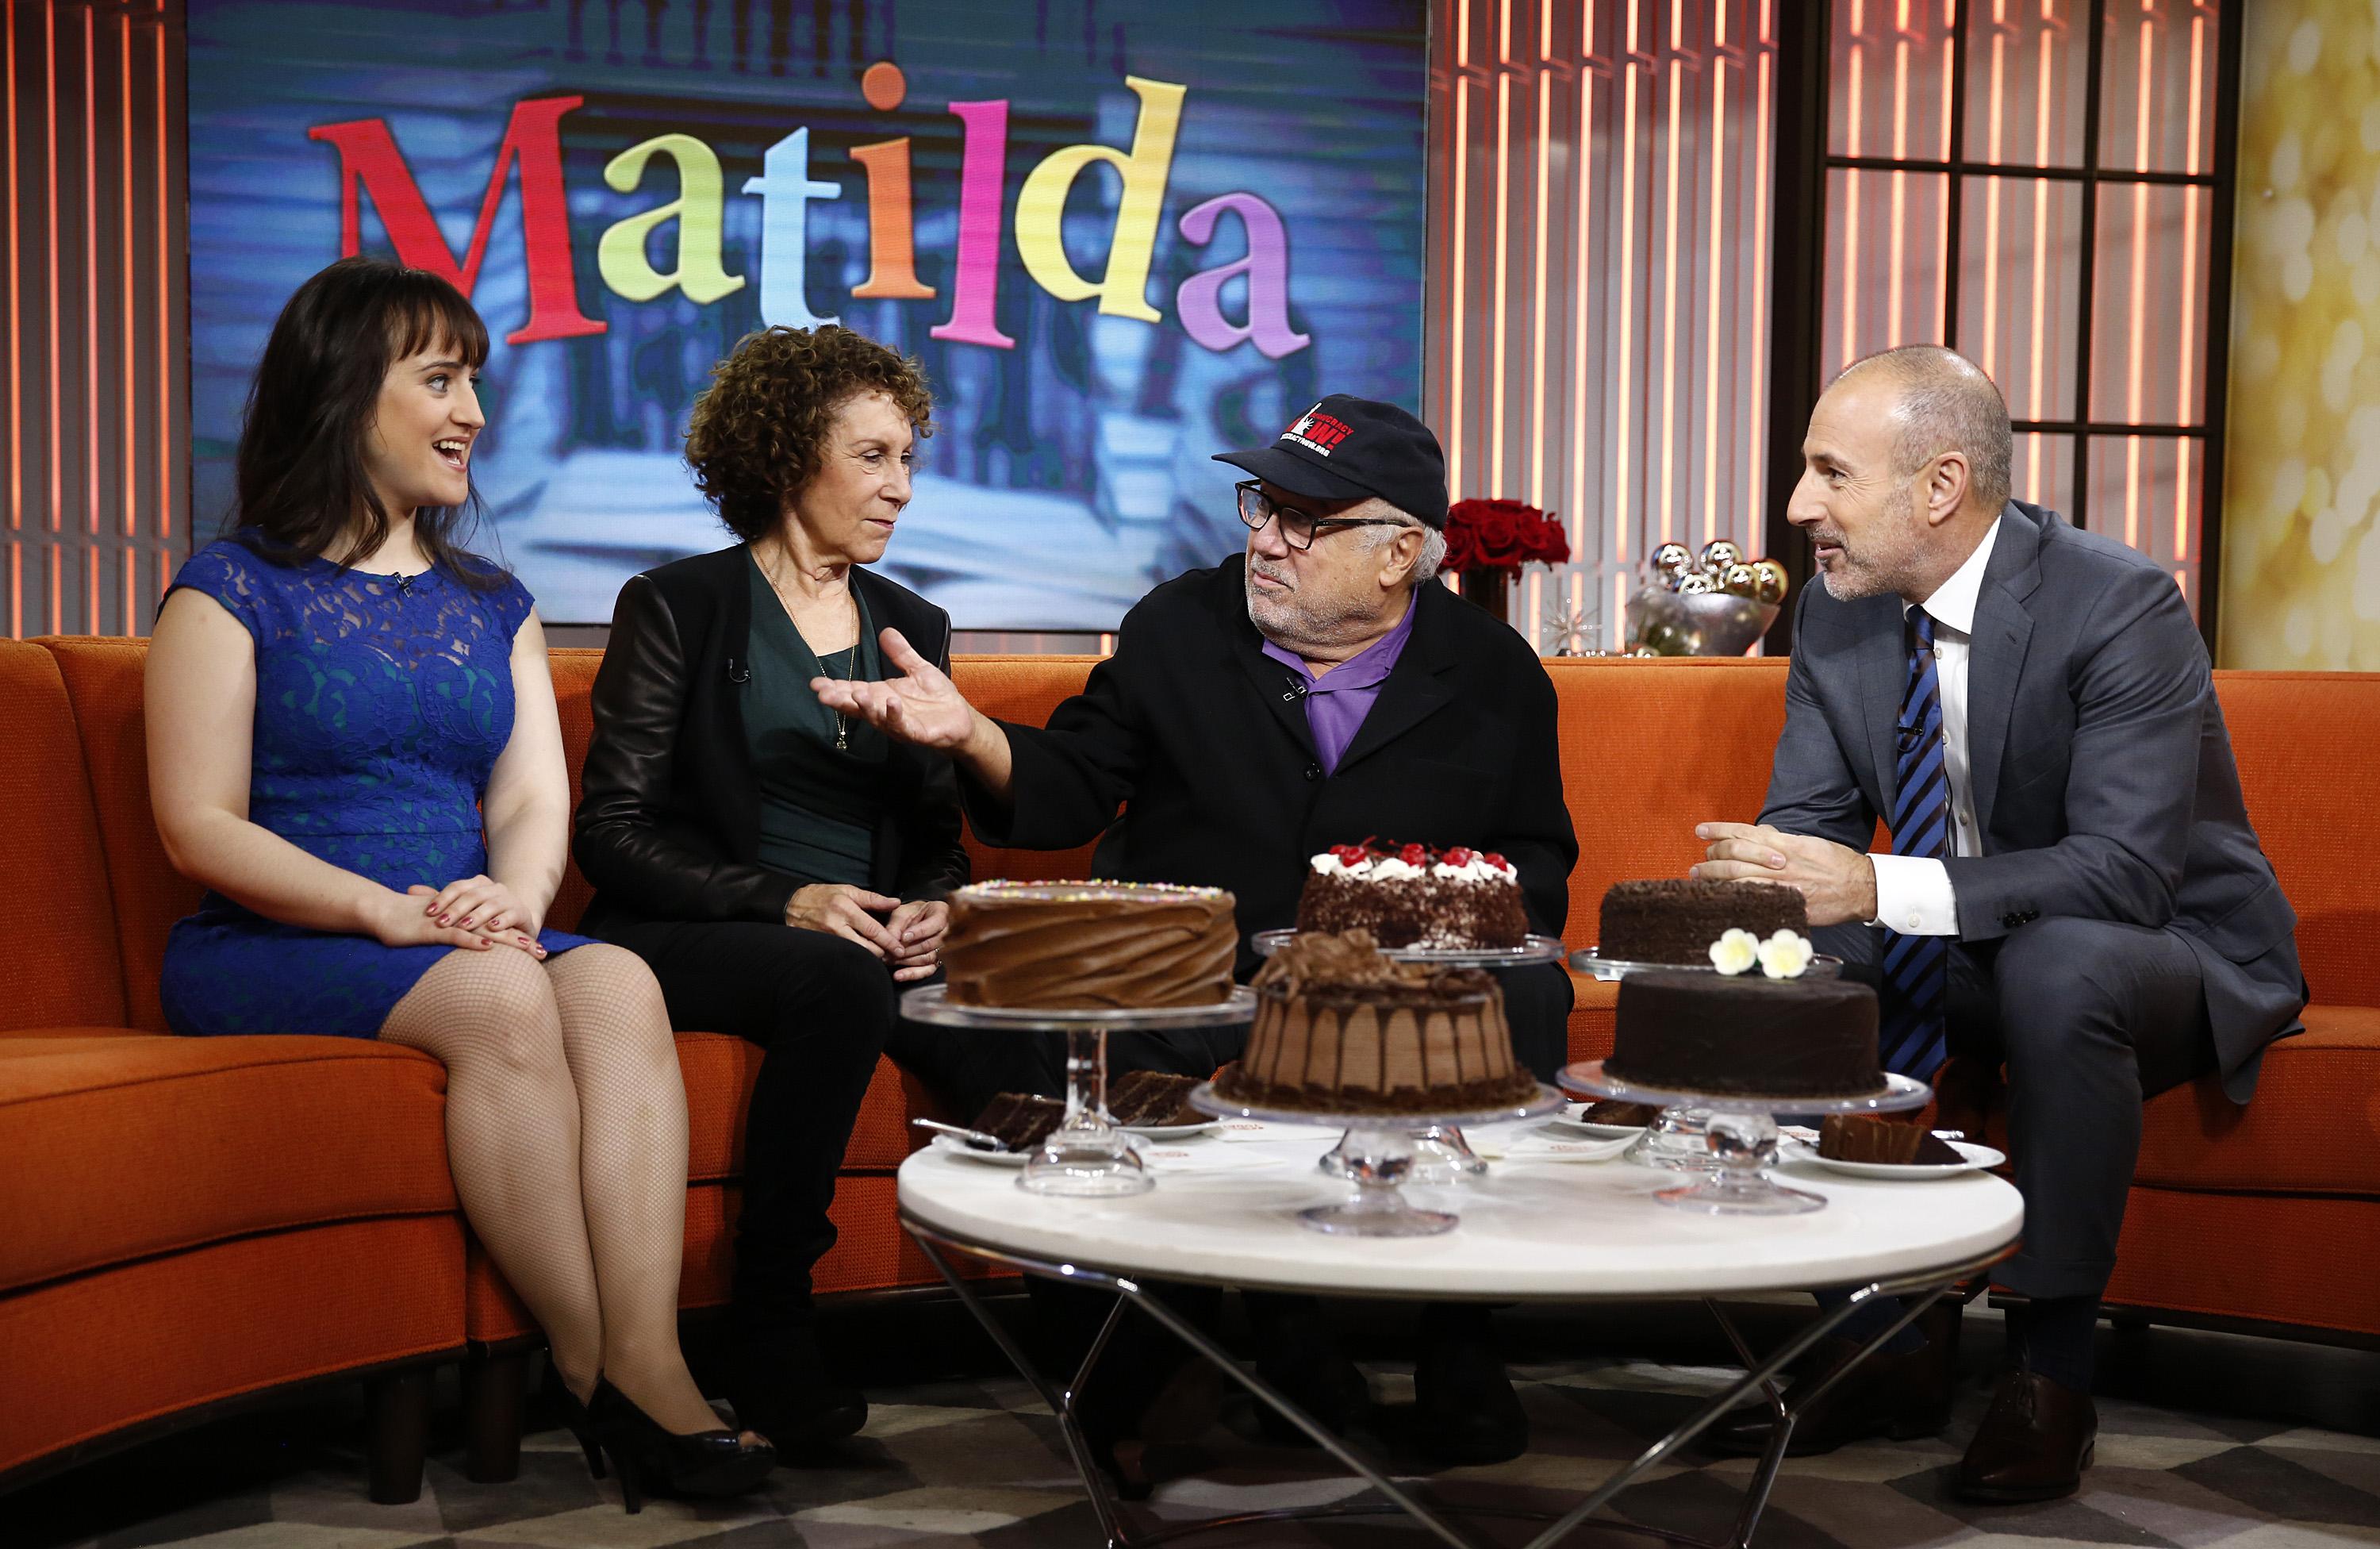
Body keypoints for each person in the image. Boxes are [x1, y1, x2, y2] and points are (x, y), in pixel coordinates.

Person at [815, 394, 1579, 1474]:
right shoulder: (1182, 622)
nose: (1264, 537)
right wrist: (977, 735)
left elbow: (1536, 864)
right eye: (1262, 505)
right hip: (1196, 988)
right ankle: (1183, 1359)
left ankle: (1462, 1344)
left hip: (1396, 990)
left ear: (1400, 551)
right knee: (1034, 1038)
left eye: (1304, 521)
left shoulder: (1494, 674)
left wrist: (1428, 936)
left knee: (1530, 994)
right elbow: (1076, 783)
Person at [146, 256, 774, 1509]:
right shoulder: (229, 591)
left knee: (619, 988)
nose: (474, 413)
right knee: (502, 1004)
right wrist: (384, 910)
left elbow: (536, 798)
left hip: (465, 924)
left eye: (475, 381)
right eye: (440, 379)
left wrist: (522, 896)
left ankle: (649, 1358)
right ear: (343, 396)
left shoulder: (494, 603)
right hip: (287, 935)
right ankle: (597, 1371)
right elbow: (194, 826)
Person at [1691, 345, 2305, 1501]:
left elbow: (2123, 876)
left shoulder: (2118, 601)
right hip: (1977, 944)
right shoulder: (1839, 611)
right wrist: (1764, 882)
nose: (1796, 506)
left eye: (1830, 472)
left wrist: (1875, 889)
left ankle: (2050, 1376)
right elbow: (1809, 826)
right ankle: (1885, 1338)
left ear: (1940, 486)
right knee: (1781, 960)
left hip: (2164, 949)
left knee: (2060, 967)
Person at [573, 324, 1016, 1451]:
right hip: (688, 928)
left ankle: (1115, 1338)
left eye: (909, 459)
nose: (901, 489)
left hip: (862, 942)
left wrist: (932, 904)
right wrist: (788, 898)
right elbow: (611, 834)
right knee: (834, 981)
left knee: (1008, 1013)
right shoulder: (678, 605)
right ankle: (770, 1323)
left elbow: (932, 835)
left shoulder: (915, 627)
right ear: (784, 457)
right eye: (873, 457)